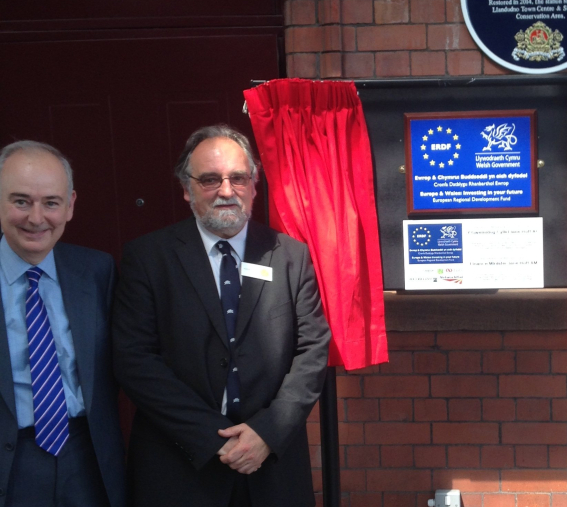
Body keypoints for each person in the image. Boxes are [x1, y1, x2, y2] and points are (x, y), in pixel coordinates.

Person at [112, 124, 331, 507]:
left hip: (271, 468)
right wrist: (211, 437)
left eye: (238, 178)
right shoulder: (147, 258)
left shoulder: (290, 256)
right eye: (210, 179)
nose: (227, 191)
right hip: (180, 467)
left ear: (254, 186)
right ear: (187, 188)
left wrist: (267, 433)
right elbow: (134, 360)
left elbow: (312, 351)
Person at [0, 141, 126, 507]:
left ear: (70, 205)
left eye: (51, 203)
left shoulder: (97, 271)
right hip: (12, 462)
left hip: (87, 458)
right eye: (21, 201)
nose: (36, 218)